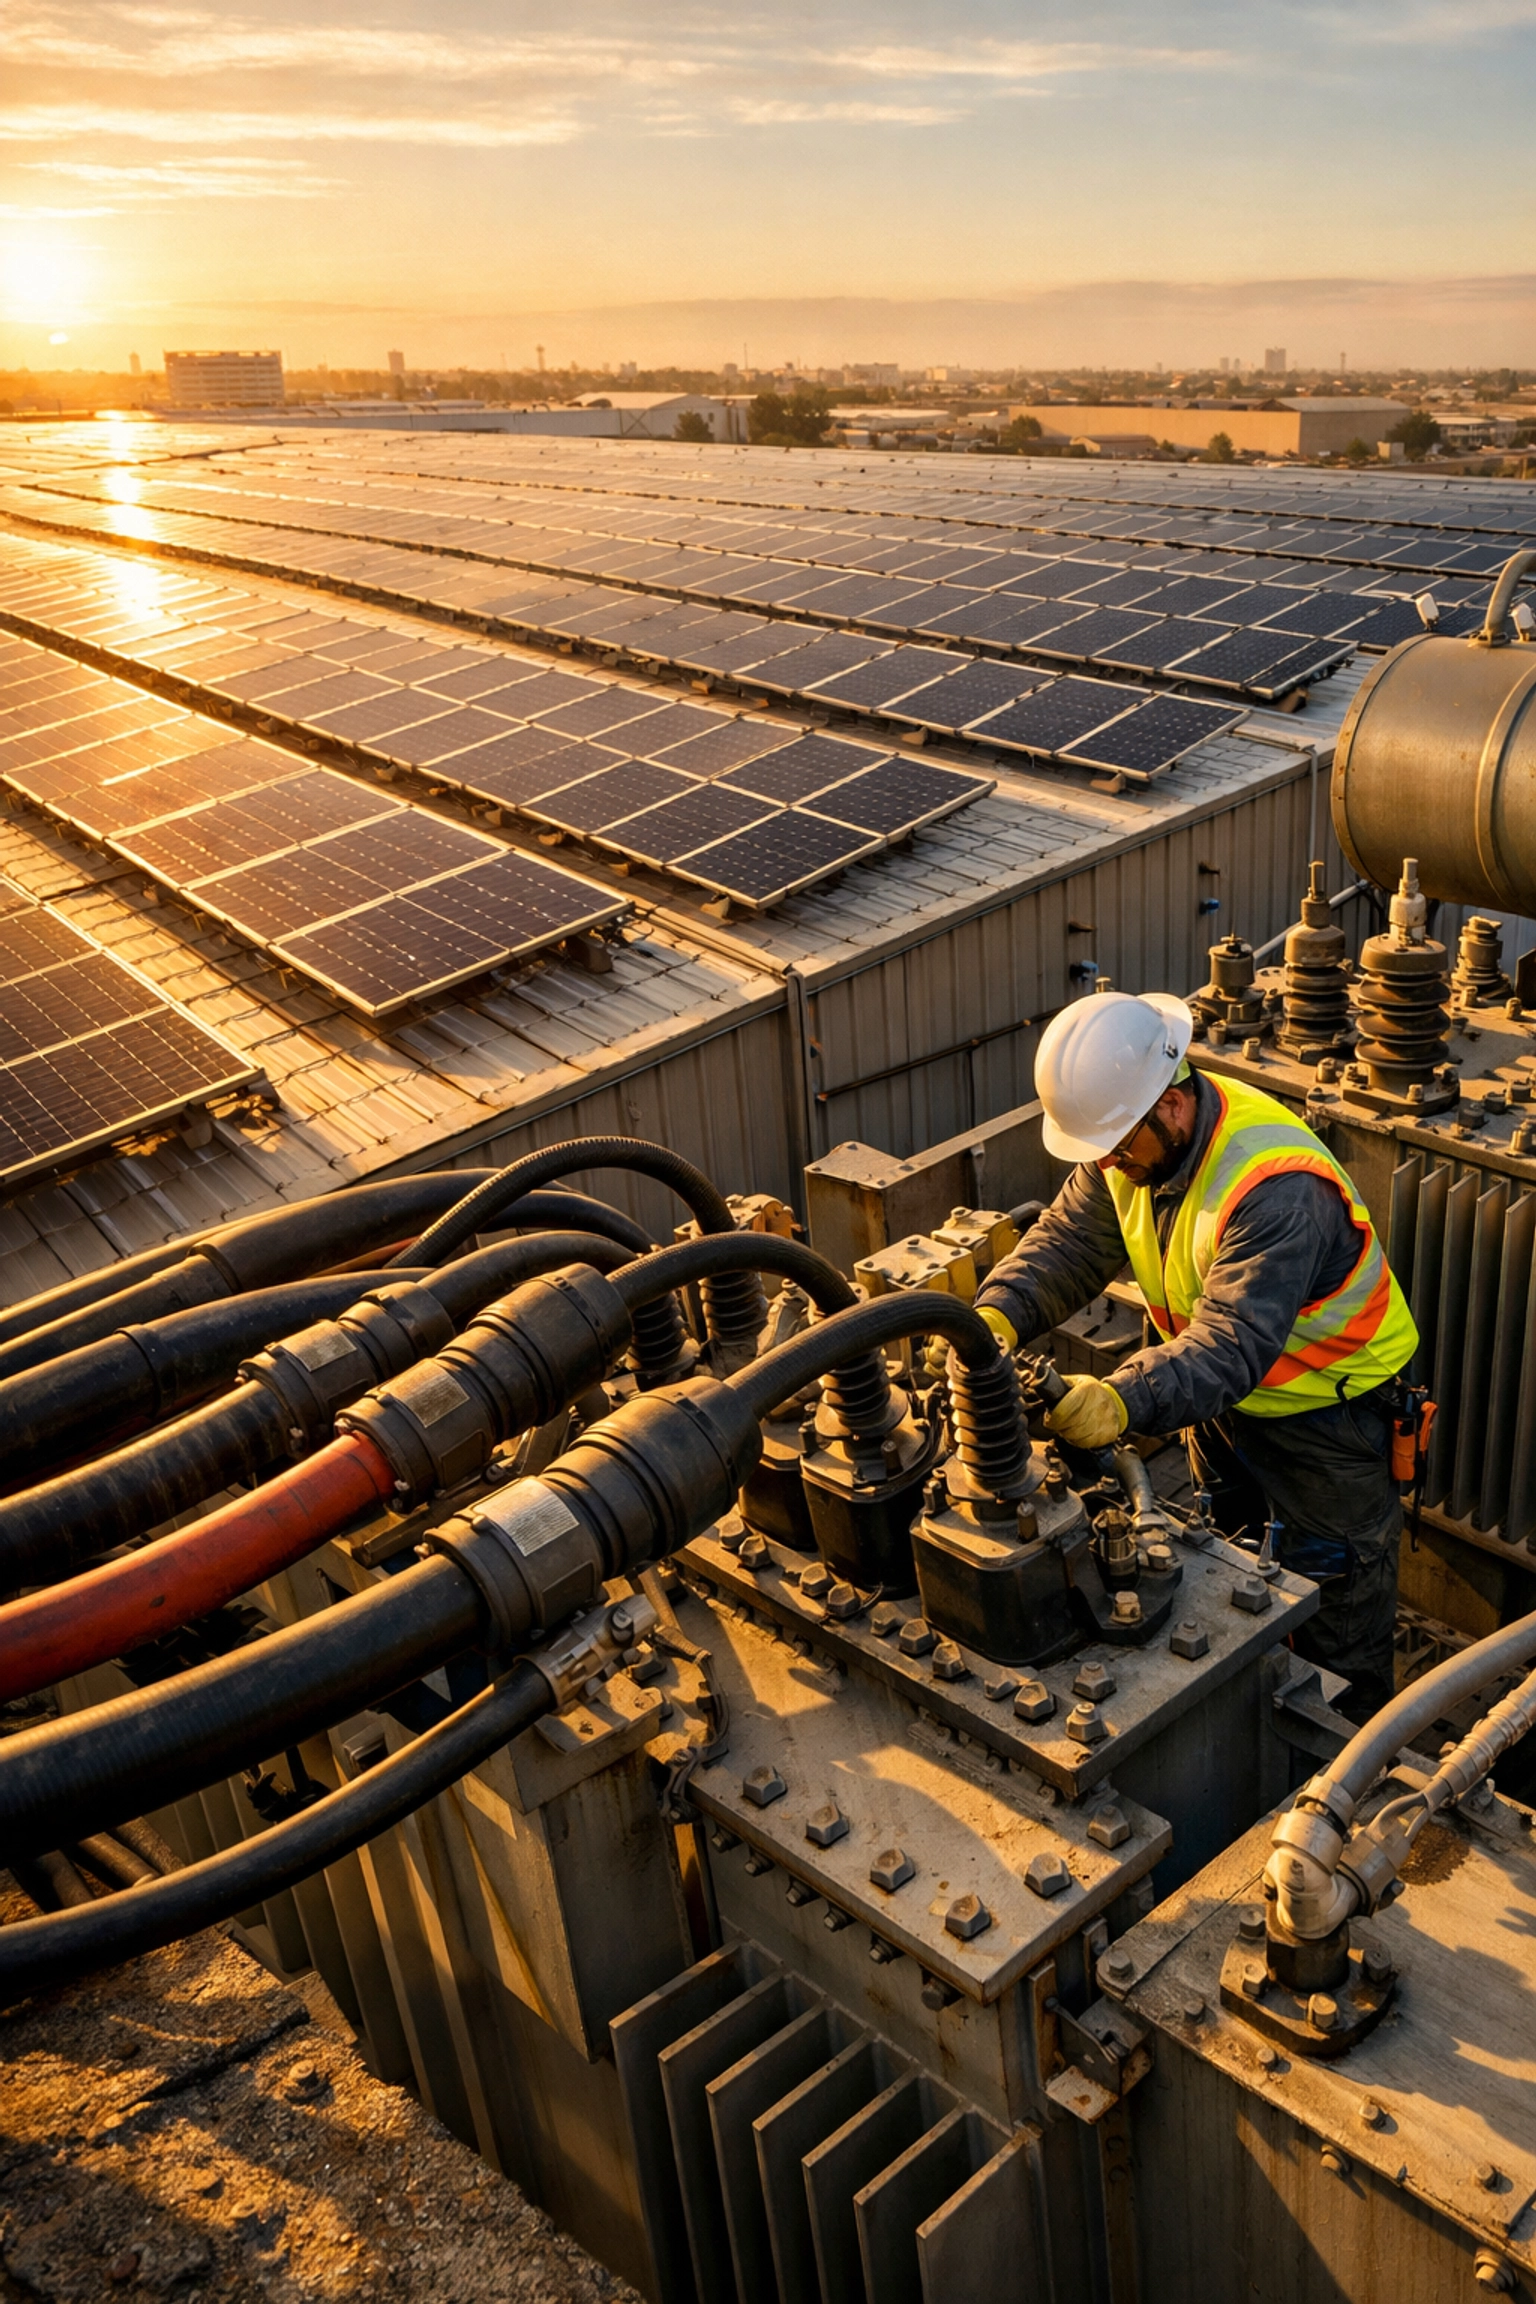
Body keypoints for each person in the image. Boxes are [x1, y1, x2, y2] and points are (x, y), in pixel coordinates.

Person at [972, 989, 1418, 1722]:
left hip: (1330, 1430)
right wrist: (995, 1315)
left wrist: (1120, 1399)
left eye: (1120, 1146)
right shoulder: (1130, 1151)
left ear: (1171, 1106)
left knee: (1337, 1629)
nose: (1111, 1164)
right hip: (1224, 1414)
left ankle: (1348, 1771)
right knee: (1223, 1584)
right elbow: (1069, 1245)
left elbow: (1229, 1343)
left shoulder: (1275, 1188)